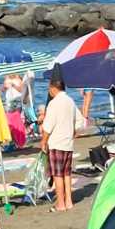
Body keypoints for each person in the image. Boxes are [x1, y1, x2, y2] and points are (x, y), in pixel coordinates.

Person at [40, 76, 77, 212]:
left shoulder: (54, 103)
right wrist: (73, 132)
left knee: (57, 174)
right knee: (67, 173)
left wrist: (43, 141)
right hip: (68, 142)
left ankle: (61, 203)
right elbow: (78, 121)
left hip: (57, 142)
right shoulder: (70, 101)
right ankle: (69, 201)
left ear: (53, 88)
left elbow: (48, 126)